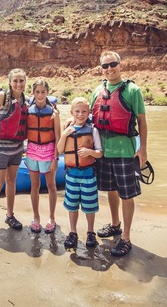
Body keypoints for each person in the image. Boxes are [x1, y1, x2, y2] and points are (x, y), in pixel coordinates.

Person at [91, 50, 148, 256]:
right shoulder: (98, 90)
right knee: (111, 190)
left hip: (125, 152)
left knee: (127, 194)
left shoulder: (133, 90)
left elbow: (141, 121)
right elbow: (90, 118)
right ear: (101, 69)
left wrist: (143, 149)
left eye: (112, 64)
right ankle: (115, 225)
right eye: (105, 66)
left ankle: (126, 238)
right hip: (104, 152)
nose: (109, 69)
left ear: (120, 65)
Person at [0, 68, 28, 237]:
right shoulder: (1, 97)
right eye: (15, 81)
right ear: (10, 82)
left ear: (25, 82)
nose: (18, 84)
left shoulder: (25, 100)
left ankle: (10, 216)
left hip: (17, 148)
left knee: (11, 181)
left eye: (21, 81)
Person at [57, 97, 103, 248]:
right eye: (77, 111)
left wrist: (90, 151)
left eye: (84, 111)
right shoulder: (68, 130)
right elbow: (60, 150)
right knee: (72, 206)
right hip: (72, 175)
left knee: (89, 207)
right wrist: (64, 135)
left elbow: (99, 153)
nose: (80, 114)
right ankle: (73, 232)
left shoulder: (93, 130)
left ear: (89, 113)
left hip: (88, 174)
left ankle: (90, 232)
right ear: (72, 112)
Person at [25, 79, 61, 234]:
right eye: (37, 92)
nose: (40, 95)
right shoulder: (27, 111)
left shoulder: (54, 113)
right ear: (33, 93)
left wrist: (55, 158)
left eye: (43, 92)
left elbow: (58, 137)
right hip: (32, 150)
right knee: (34, 186)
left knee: (51, 186)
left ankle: (52, 218)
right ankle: (36, 217)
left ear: (47, 93)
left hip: (48, 151)